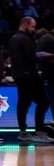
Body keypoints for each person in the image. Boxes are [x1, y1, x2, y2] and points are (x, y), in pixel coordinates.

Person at [8, 14, 51, 143]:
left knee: (23, 104)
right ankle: (39, 131)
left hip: (19, 76)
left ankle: (23, 132)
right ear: (25, 25)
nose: (33, 29)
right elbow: (31, 58)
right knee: (43, 102)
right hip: (29, 76)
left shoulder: (13, 38)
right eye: (32, 27)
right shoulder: (25, 39)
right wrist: (47, 58)